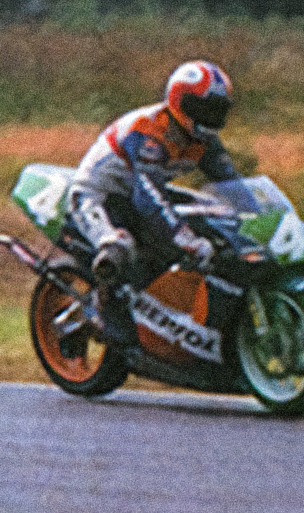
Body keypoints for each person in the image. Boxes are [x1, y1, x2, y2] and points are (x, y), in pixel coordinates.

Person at [66, 60, 237, 356]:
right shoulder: (150, 133)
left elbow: (233, 183)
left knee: (210, 216)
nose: (209, 117)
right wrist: (186, 239)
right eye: (202, 108)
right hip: (98, 195)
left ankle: (175, 313)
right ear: (179, 101)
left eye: (216, 110)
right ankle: (100, 315)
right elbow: (148, 197)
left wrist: (257, 216)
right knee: (119, 247)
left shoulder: (203, 140)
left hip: (135, 194)